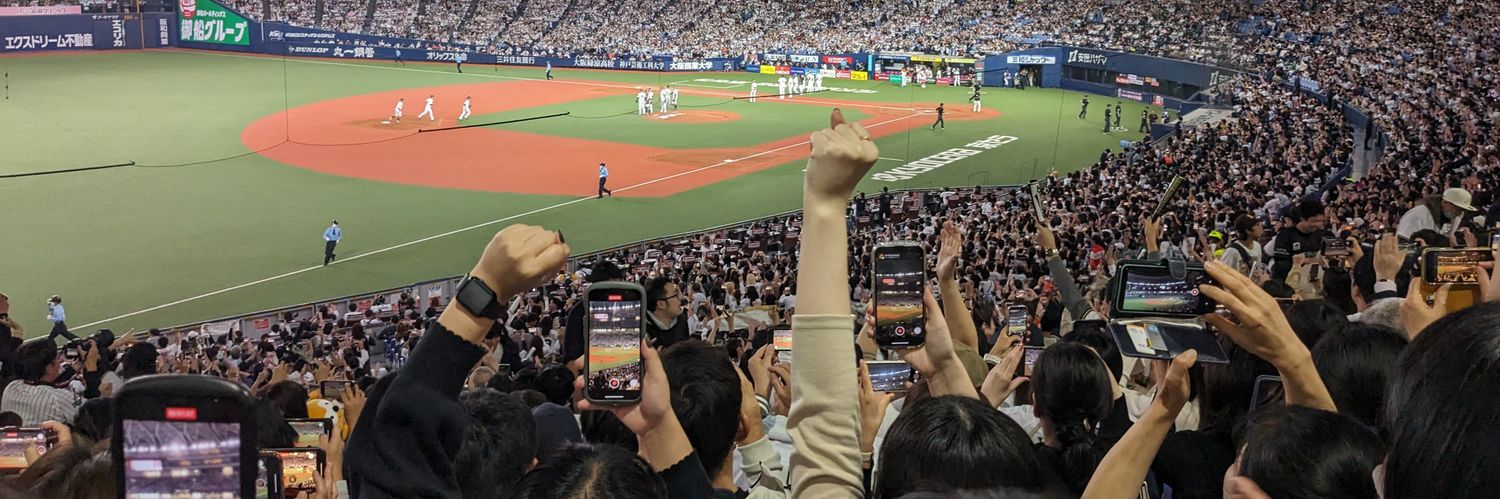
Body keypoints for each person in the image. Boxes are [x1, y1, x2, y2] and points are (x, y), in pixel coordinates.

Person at [1, 340, 81, 425]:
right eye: (57, 358)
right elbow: (92, 416)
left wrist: (71, 370)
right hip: (49, 437)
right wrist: (92, 368)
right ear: (49, 368)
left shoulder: (11, 386)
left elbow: (44, 384)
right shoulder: (57, 398)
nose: (60, 361)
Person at [1271, 200, 1328, 280]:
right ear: (1302, 219)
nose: (1319, 224)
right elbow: (1280, 265)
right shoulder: (1285, 236)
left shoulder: (1322, 234)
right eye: (1315, 221)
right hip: (1292, 281)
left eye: (1322, 221)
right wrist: (1302, 262)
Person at [1396, 187, 1473, 239]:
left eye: (1462, 210)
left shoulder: (1450, 218)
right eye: (1457, 209)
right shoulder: (1418, 214)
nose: (1459, 213)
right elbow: (1402, 241)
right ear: (1445, 202)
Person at [644, 277, 688, 348]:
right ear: (661, 304)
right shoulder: (641, 330)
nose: (680, 299)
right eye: (675, 295)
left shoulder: (682, 320)